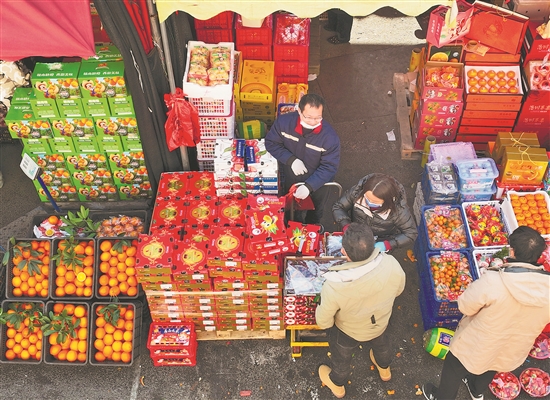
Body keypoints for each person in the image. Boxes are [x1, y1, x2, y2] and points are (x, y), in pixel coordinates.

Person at [422, 226, 550, 400]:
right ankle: (476, 390)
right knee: (494, 364)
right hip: (514, 347)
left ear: (512, 251)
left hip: (478, 343)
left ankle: (442, 397)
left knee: (454, 367)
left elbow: (465, 306)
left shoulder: (494, 281)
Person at [316, 222, 406, 398]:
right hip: (380, 322)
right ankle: (384, 369)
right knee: (382, 346)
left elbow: (323, 321)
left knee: (342, 358)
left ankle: (337, 384)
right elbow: (399, 290)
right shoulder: (391, 263)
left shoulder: (335, 285)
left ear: (344, 252)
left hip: (348, 331)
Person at [265, 93, 340, 225]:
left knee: (316, 209)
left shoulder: (330, 138)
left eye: (318, 117)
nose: (313, 121)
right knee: (292, 207)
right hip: (291, 176)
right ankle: (294, 225)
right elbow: (272, 143)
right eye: (308, 117)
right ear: (299, 111)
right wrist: (291, 160)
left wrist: (310, 186)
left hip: (319, 183)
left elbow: (329, 167)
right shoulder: (284, 123)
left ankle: (313, 227)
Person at [332, 173, 417, 253]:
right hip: (356, 234)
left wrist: (387, 244)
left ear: (387, 201)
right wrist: (346, 226)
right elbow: (339, 206)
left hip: (379, 240)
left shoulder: (398, 210)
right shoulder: (357, 192)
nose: (369, 202)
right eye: (367, 198)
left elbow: (411, 233)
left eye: (375, 201)